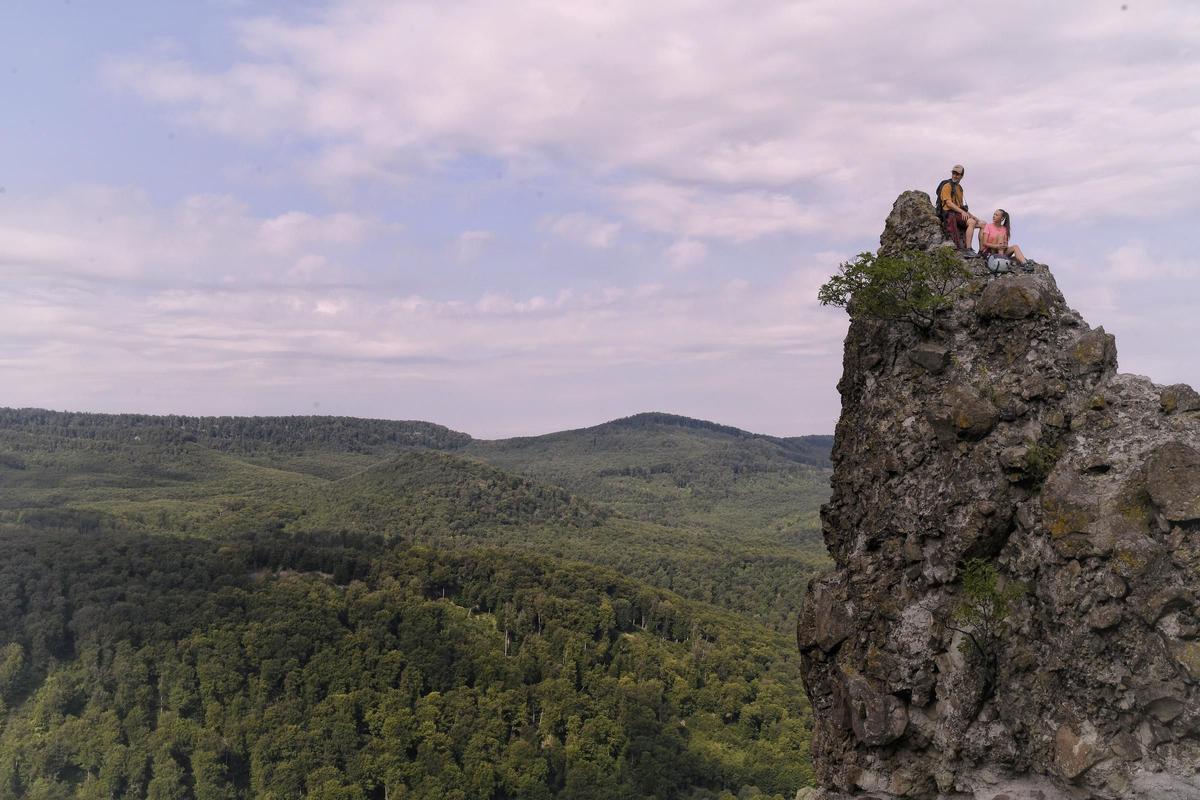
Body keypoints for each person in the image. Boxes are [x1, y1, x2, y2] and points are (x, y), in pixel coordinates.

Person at [936, 165, 979, 249]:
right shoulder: (947, 185)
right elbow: (948, 203)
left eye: (957, 174)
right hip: (949, 213)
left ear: (961, 176)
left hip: (958, 213)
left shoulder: (959, 188)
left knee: (983, 224)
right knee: (971, 222)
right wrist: (962, 212)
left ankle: (982, 252)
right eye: (953, 173)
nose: (955, 176)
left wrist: (972, 216)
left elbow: (961, 206)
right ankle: (968, 248)